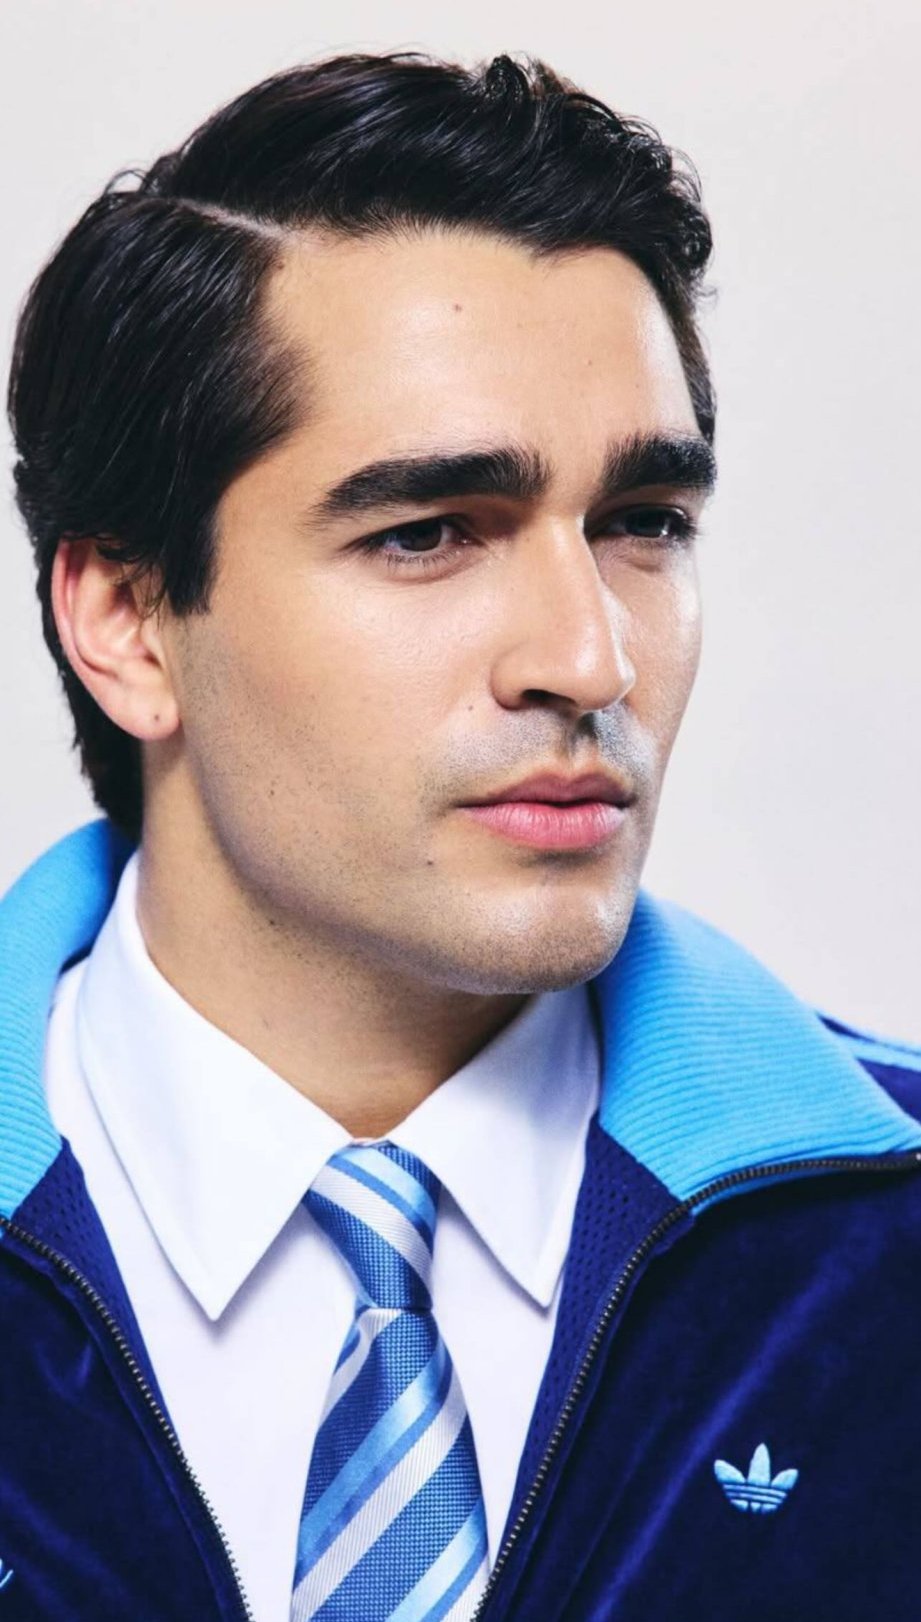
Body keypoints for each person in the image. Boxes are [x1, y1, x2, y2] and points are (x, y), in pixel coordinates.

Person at [1, 47, 919, 1622]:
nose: (589, 658)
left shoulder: (884, 1246)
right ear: (129, 619)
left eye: (642, 523)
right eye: (426, 533)